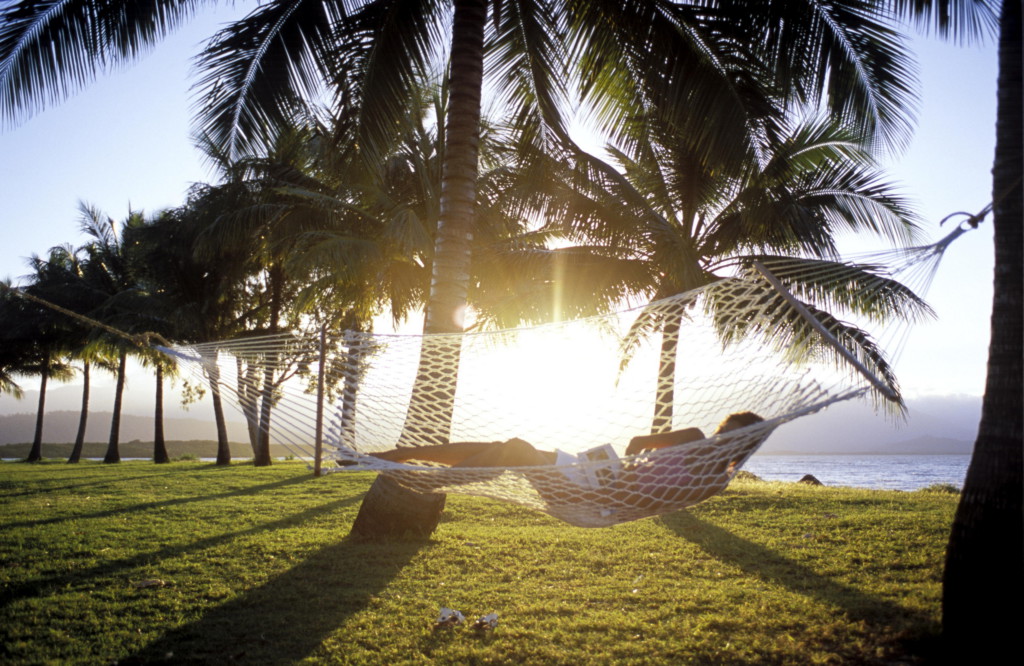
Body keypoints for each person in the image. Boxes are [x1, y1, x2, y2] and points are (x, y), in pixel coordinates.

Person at [369, 412, 766, 513]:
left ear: (740, 446)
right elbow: (636, 443)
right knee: (506, 446)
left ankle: (422, 480)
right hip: (595, 478)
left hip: (595, 495)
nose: (719, 438)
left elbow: (657, 494)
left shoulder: (711, 476)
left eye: (728, 436)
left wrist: (626, 480)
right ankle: (403, 456)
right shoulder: (701, 455)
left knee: (515, 448)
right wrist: (634, 463)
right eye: (722, 429)